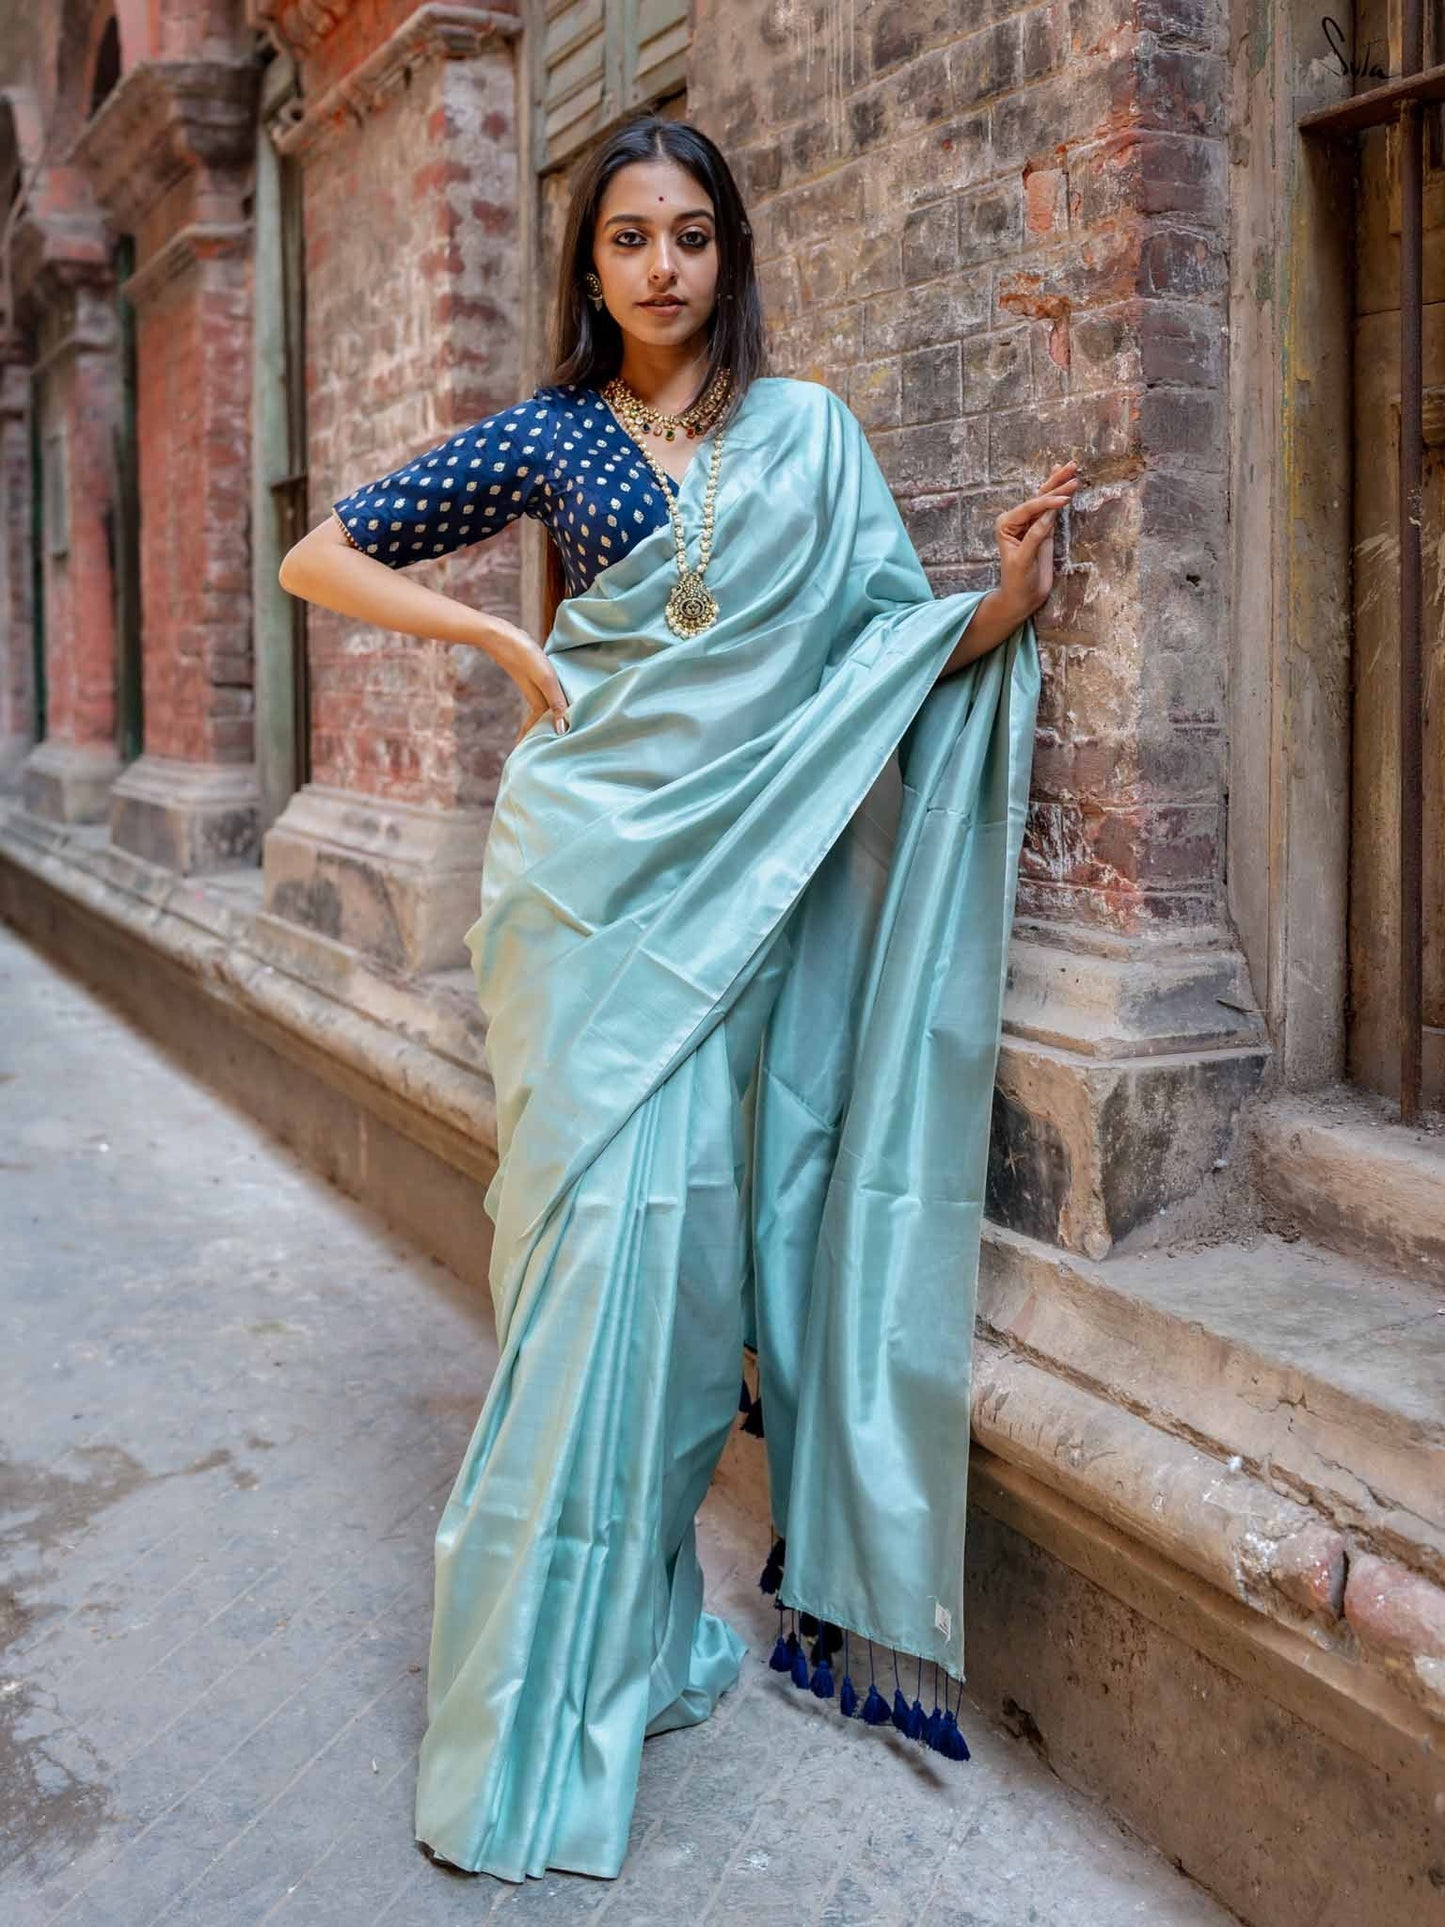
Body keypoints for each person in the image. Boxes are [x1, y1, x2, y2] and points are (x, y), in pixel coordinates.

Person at [279, 111, 1079, 1886]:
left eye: (690, 235)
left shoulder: (809, 436)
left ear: (729, 253)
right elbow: (317, 558)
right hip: (579, 895)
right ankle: (516, 1717)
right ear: (589, 263)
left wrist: (1002, 603)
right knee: (585, 1284)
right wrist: (500, 638)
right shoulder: (552, 435)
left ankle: (628, 1652)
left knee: (683, 1290)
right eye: (628, 238)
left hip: (724, 911)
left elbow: (874, 656)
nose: (662, 266)